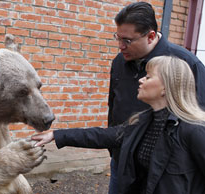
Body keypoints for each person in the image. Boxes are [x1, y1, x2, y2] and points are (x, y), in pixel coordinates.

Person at [32, 56, 205, 194]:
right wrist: (56, 135)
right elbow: (103, 136)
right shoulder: (142, 122)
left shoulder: (193, 130)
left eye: (149, 76)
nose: (141, 80)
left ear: (166, 88)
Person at [108, 2, 205, 193]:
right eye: (117, 38)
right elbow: (113, 105)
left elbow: (197, 118)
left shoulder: (186, 64)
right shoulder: (119, 62)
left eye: (127, 40)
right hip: (123, 159)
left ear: (150, 36)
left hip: (164, 171)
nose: (120, 46)